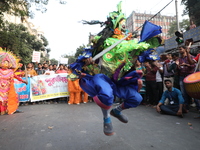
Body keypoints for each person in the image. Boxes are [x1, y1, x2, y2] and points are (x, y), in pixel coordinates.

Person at [0, 49, 27, 115]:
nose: (5, 64)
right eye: (4, 62)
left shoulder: (11, 71)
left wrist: (23, 81)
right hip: (0, 88)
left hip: (8, 88)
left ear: (9, 64)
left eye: (7, 62)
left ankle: (8, 109)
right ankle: (2, 111)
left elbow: (16, 77)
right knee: (1, 100)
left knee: (8, 99)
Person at [178, 46, 196, 110]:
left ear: (185, 49)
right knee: (183, 92)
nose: (179, 51)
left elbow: (194, 65)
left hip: (189, 76)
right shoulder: (179, 59)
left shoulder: (191, 57)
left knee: (192, 91)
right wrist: (178, 66)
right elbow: (179, 68)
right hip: (182, 76)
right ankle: (186, 106)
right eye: (179, 49)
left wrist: (186, 65)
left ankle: (197, 106)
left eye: (180, 49)